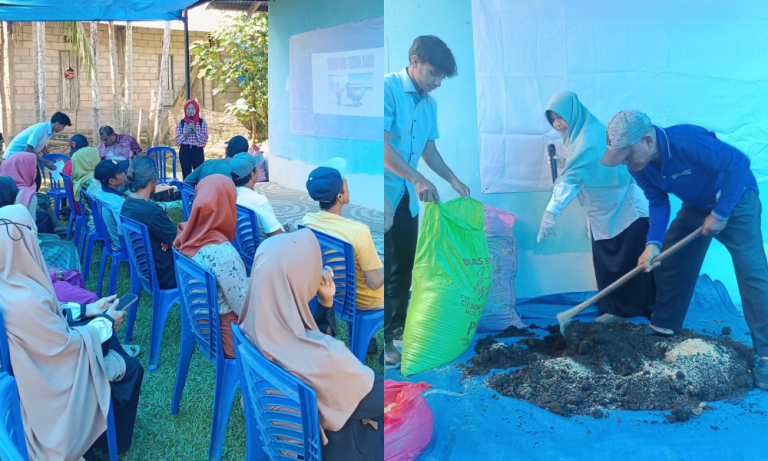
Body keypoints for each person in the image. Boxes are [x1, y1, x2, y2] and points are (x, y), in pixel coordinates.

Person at [600, 109, 768, 389]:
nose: (626, 163)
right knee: (673, 252)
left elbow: (739, 163)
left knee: (752, 274)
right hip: (698, 206)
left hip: (736, 201)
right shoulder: (638, 166)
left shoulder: (688, 142)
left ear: (647, 141)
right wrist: (651, 244)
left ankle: (766, 353)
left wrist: (722, 212)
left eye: (628, 154)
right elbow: (657, 201)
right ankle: (664, 324)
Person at [0, 204, 144, 461]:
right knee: (130, 367)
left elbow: (50, 317)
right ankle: (105, 438)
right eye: (32, 235)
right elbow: (64, 345)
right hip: (50, 381)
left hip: (35, 370)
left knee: (110, 345)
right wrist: (105, 322)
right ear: (23, 242)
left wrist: (89, 310)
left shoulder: (10, 283)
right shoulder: (27, 298)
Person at [238, 229, 383, 460]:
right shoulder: (328, 358)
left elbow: (303, 339)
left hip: (282, 434)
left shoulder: (250, 325)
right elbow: (378, 399)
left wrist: (325, 303)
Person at [383, 35, 469, 368]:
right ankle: (383, 339)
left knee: (404, 267)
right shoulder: (387, 89)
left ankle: (397, 328)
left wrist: (453, 180)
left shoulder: (430, 105)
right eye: (434, 73)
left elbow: (429, 151)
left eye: (442, 78)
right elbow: (382, 147)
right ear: (414, 60)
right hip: (384, 193)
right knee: (383, 265)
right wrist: (417, 178)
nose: (437, 83)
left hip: (408, 197)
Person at [540, 91, 653, 322]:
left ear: (573, 112)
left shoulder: (587, 138)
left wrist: (550, 213)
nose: (557, 124)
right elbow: (587, 167)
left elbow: (572, 179)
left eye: (560, 117)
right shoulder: (583, 132)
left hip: (625, 212)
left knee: (627, 263)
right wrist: (567, 163)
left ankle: (625, 311)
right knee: (609, 264)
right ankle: (618, 309)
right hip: (604, 213)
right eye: (552, 119)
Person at [301, 159, 383, 354]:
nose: (347, 184)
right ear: (339, 196)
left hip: (330, 292)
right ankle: (389, 350)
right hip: (361, 301)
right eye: (345, 183)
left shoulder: (307, 221)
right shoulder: (358, 231)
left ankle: (367, 340)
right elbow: (373, 283)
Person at [174, 174, 248, 358]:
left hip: (203, 326)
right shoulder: (224, 255)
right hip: (230, 338)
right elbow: (245, 309)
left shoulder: (186, 235)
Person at [121, 156, 178, 289]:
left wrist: (168, 238)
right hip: (167, 275)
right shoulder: (152, 211)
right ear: (152, 180)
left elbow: (171, 236)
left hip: (148, 270)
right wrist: (170, 239)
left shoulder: (127, 203)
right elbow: (178, 241)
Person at [3, 111, 72, 190]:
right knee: (19, 185)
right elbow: (28, 149)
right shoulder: (41, 129)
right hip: (13, 158)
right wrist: (44, 161)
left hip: (25, 157)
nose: (63, 129)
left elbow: (42, 147)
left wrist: (52, 160)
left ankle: (31, 200)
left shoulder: (49, 131)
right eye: (63, 126)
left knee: (36, 182)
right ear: (57, 124)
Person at [230, 152, 284, 238]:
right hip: (262, 248)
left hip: (241, 246)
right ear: (252, 174)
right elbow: (277, 235)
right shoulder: (259, 202)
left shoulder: (228, 195)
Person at [0, 151, 56, 234]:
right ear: (24, 169)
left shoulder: (4, 185)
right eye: (34, 168)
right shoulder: (27, 196)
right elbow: (30, 232)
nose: (36, 172)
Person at [184, 135, 248, 186]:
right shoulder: (242, 174)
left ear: (226, 150)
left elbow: (185, 184)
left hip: (200, 201)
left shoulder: (207, 163)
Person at [94, 158, 130, 251]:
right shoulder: (118, 205)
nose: (124, 173)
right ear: (112, 181)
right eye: (120, 172)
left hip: (112, 239)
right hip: (124, 244)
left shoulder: (101, 193)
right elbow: (123, 230)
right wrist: (127, 249)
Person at [175, 99, 209, 179]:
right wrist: (185, 133)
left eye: (193, 108)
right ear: (185, 110)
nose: (190, 111)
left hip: (197, 151)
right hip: (184, 151)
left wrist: (195, 130)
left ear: (197, 109)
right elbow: (178, 141)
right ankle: (188, 191)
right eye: (188, 108)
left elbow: (204, 140)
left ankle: (199, 191)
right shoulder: (181, 123)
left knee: (199, 175)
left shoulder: (202, 123)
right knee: (186, 176)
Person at [72, 146, 103, 232]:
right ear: (89, 161)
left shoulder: (82, 177)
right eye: (97, 157)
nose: (100, 159)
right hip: (99, 225)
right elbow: (107, 204)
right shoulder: (94, 183)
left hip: (91, 220)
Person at [62, 134, 90, 218]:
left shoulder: (68, 164)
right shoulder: (83, 166)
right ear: (86, 147)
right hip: (83, 208)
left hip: (74, 206)